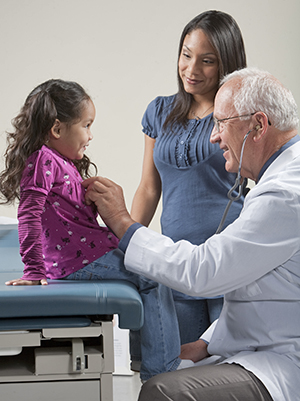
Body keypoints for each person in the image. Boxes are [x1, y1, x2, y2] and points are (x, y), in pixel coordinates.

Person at [82, 67, 300, 401]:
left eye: (221, 123)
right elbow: (257, 291)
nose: (214, 137)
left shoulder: (286, 194)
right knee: (169, 364)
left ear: (258, 125)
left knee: (163, 392)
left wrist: (123, 223)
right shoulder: (278, 180)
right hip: (263, 346)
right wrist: (206, 344)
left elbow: (204, 271)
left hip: (284, 362)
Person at [0, 79, 186, 382]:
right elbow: (29, 214)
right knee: (154, 276)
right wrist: (34, 269)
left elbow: (65, 215)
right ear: (58, 129)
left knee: (153, 267)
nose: (90, 135)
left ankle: (147, 364)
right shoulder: (44, 160)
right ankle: (162, 372)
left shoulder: (61, 162)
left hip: (85, 254)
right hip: (77, 262)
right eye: (86, 125)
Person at [130, 10, 247, 352]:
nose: (192, 69)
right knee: (177, 367)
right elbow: (149, 188)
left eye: (207, 61)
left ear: (227, 63)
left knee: (230, 370)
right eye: (186, 54)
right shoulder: (160, 111)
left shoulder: (240, 114)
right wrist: (127, 246)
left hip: (229, 262)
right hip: (178, 264)